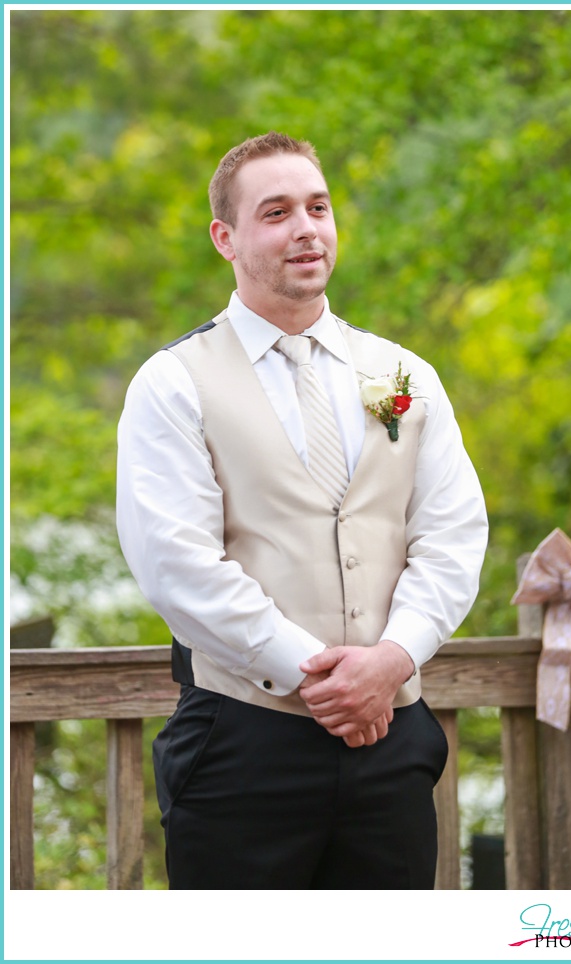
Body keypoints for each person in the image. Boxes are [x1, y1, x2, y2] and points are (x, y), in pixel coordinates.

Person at [116, 132, 488, 887]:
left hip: (391, 740)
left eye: (317, 207)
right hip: (241, 744)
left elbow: (452, 535)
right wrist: (314, 677)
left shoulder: (404, 373)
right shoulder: (173, 381)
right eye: (276, 212)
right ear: (226, 237)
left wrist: (391, 660)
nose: (306, 228)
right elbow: (176, 565)